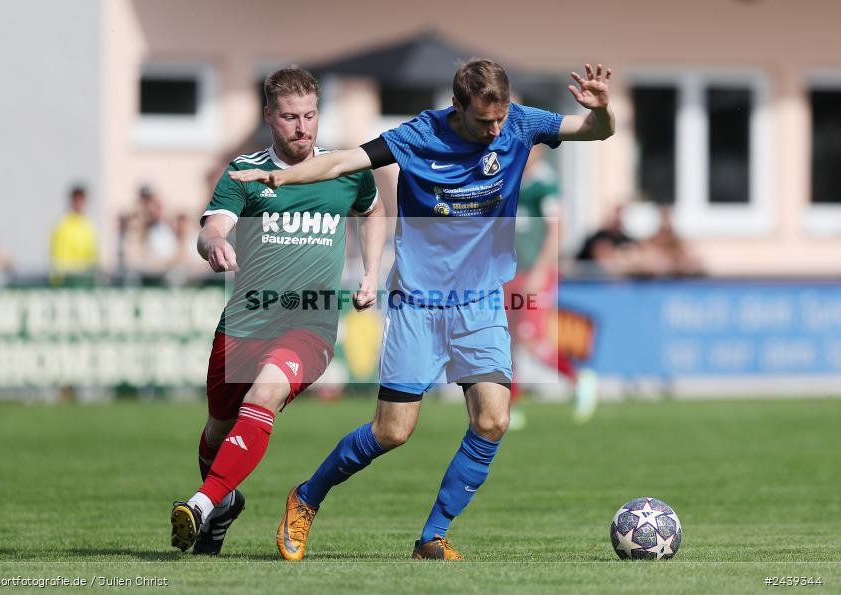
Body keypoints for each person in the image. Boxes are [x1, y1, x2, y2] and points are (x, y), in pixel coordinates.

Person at [233, 60, 614, 560]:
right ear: (457, 107)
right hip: (418, 304)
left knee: (494, 419)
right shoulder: (417, 135)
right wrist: (280, 179)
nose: (494, 130)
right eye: (483, 122)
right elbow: (341, 162)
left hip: (481, 301)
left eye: (499, 119)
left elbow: (594, 132)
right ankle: (307, 497)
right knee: (392, 432)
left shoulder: (520, 122)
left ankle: (433, 536)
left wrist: (603, 110)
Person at [169, 67, 386, 555]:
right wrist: (215, 244)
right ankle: (222, 507)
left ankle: (202, 505)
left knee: (264, 395)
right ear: (269, 116)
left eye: (310, 115)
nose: (302, 127)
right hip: (245, 323)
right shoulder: (244, 172)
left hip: (308, 325)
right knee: (217, 431)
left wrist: (371, 273)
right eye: (290, 117)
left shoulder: (344, 169)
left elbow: (372, 211)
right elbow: (211, 228)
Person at [503, 146, 598, 427]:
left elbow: (557, 231)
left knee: (530, 338)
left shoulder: (546, 185)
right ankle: (512, 404)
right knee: (505, 341)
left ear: (541, 150)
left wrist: (541, 271)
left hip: (534, 273)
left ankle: (578, 379)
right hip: (508, 272)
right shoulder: (509, 179)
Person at [50, 184, 98, 286]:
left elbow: (94, 254)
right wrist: (58, 280)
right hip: (66, 279)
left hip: (86, 278)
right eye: (76, 200)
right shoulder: (62, 224)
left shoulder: (89, 225)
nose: (79, 203)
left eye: (81, 200)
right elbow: (58, 254)